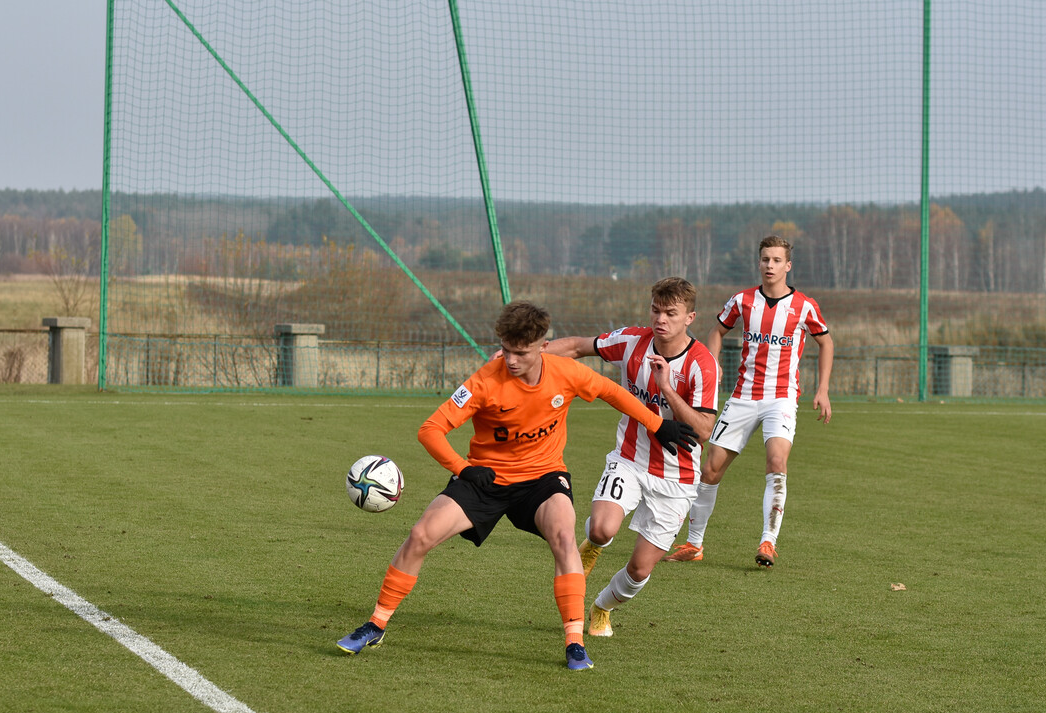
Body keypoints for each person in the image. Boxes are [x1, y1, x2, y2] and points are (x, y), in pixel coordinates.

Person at [336, 300, 697, 671]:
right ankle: (375, 625)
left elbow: (611, 391)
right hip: (484, 478)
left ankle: (574, 643)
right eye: (506, 350)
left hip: (542, 478)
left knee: (564, 537)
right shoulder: (485, 380)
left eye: (520, 353)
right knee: (421, 535)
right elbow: (430, 430)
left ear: (543, 346)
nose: (510, 360)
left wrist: (658, 424)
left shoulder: (565, 372)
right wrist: (463, 468)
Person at [543, 277, 718, 638]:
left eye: (671, 313)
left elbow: (703, 429)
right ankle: (592, 547)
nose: (661, 319)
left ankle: (602, 608)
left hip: (677, 477)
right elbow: (577, 346)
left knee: (639, 569)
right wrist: (530, 352)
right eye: (656, 310)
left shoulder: (703, 364)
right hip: (629, 459)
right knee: (601, 527)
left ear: (690, 317)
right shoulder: (632, 341)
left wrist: (667, 386)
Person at [663, 235, 834, 568]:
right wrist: (710, 370)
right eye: (764, 259)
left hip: (781, 398)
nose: (769, 266)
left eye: (776, 260)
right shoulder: (742, 301)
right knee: (710, 470)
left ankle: (768, 543)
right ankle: (694, 545)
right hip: (742, 397)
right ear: (759, 262)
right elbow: (716, 332)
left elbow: (826, 343)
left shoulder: (804, 306)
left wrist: (823, 388)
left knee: (776, 462)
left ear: (788, 265)